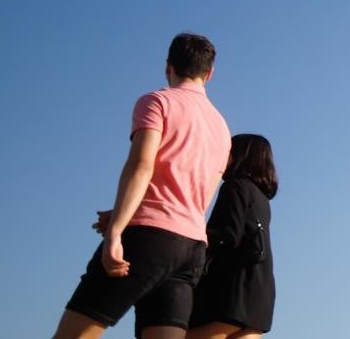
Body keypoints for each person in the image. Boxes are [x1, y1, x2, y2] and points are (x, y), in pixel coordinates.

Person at [53, 33, 232, 339]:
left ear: (168, 66)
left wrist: (116, 231)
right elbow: (197, 196)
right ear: (210, 73)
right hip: (190, 247)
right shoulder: (222, 128)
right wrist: (125, 209)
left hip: (147, 238)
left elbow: (141, 165)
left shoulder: (157, 101)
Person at [187, 134, 278, 339]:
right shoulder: (261, 197)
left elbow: (227, 236)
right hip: (259, 295)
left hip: (232, 292)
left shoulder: (235, 186)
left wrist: (190, 231)